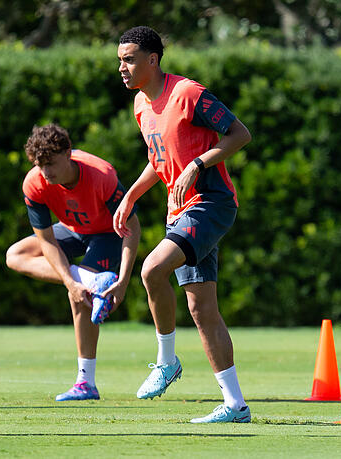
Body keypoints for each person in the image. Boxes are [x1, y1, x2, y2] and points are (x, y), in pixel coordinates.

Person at [113, 26, 252, 423]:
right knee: (201, 308)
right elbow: (160, 160)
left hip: (211, 203)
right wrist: (130, 195)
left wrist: (198, 164)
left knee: (152, 268)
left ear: (152, 60)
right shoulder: (141, 104)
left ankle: (166, 361)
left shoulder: (188, 93)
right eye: (120, 60)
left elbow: (240, 134)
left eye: (129, 59)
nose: (121, 67)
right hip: (180, 210)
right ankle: (235, 405)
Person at [6, 124, 140, 401]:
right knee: (14, 255)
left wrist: (123, 282)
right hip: (72, 229)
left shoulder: (102, 175)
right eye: (40, 165)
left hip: (108, 233)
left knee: (79, 299)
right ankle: (90, 281)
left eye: (52, 163)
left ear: (69, 153)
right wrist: (72, 280)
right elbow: (46, 242)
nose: (46, 172)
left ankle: (85, 383)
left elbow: (132, 229)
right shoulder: (34, 183)